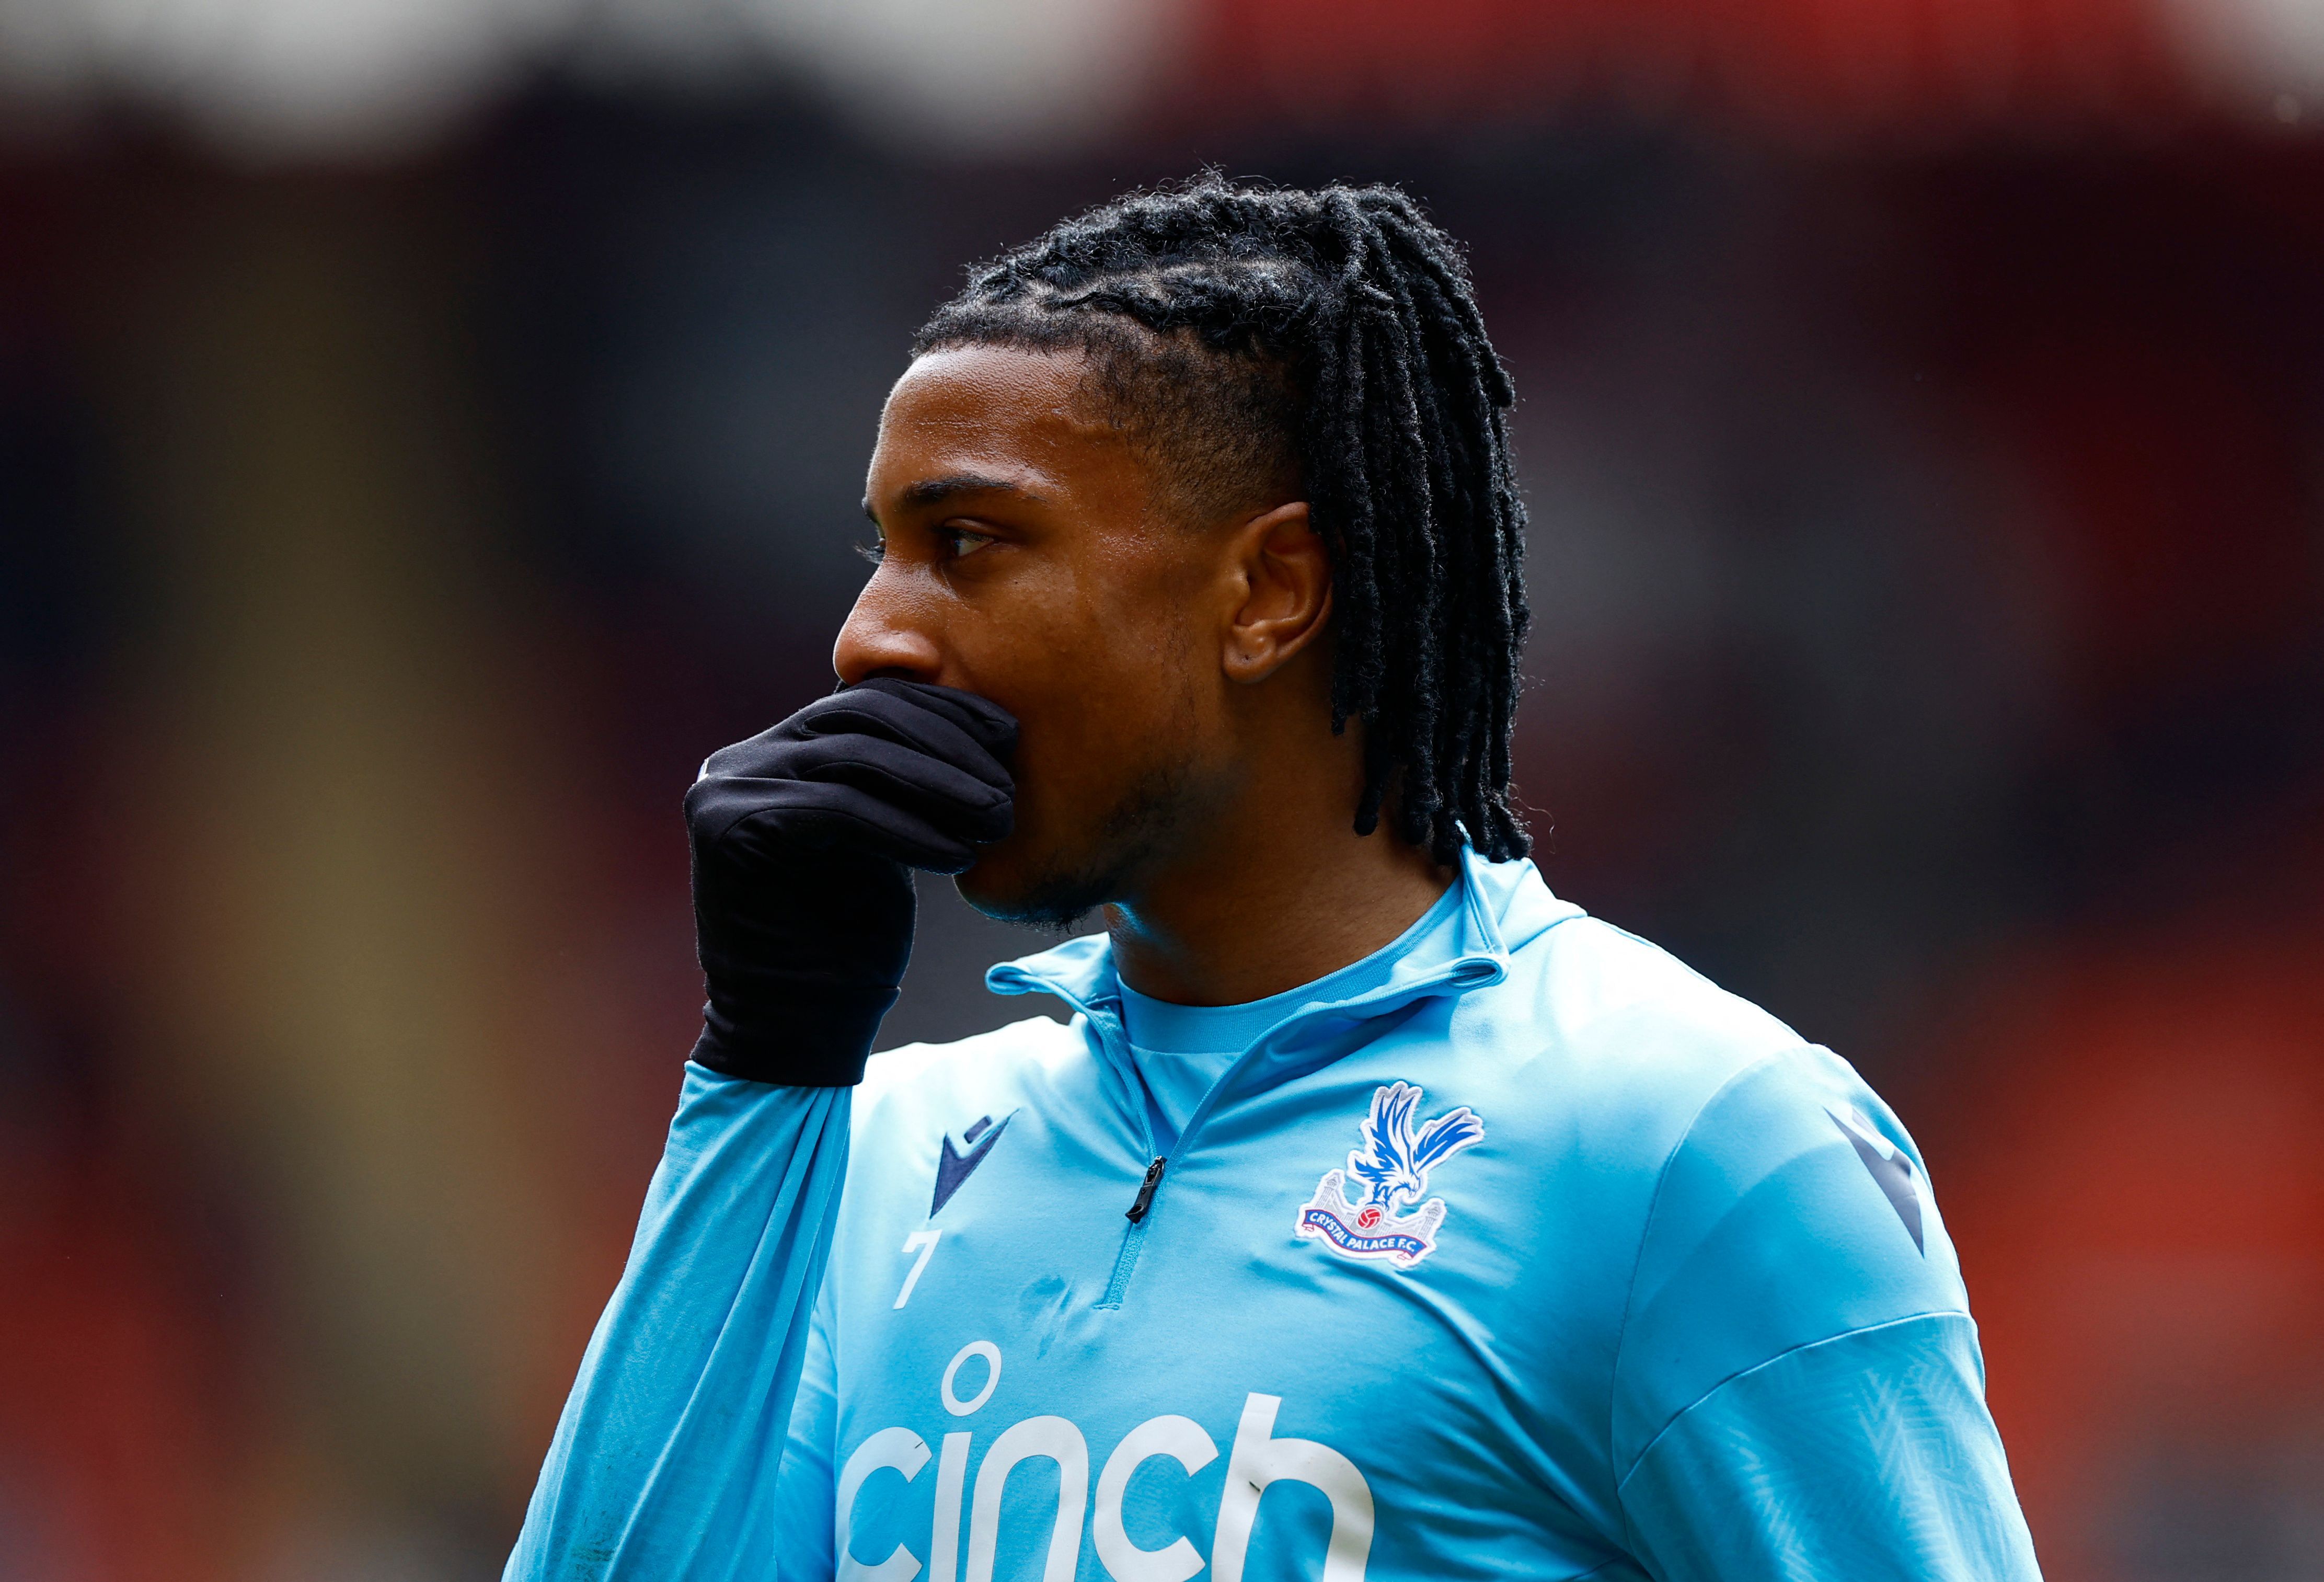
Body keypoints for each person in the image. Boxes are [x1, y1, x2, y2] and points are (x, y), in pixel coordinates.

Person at [504, 176, 2042, 1581]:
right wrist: (765, 1065)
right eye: (879, 553)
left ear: (1270, 593)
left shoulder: (1689, 1146)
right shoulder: (878, 1156)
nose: (872, 639)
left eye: (968, 543)